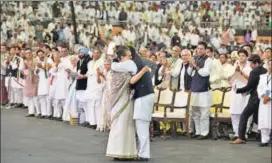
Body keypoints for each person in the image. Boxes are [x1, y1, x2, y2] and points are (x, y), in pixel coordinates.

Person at [106, 46, 149, 161]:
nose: (131, 57)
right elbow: (131, 79)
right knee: (123, 125)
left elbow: (115, 66)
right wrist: (143, 71)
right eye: (128, 55)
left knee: (121, 125)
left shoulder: (117, 67)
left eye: (130, 55)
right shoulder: (127, 65)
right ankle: (123, 152)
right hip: (122, 98)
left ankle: (117, 152)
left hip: (120, 99)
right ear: (121, 57)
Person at [231, 55, 267, 144]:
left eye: (251, 63)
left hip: (255, 97)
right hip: (263, 97)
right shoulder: (265, 71)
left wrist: (238, 90)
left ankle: (241, 137)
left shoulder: (254, 72)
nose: (250, 65)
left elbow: (249, 86)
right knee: (258, 117)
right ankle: (265, 136)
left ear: (256, 63)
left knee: (244, 115)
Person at [188, 41, 213, 140]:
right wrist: (191, 66)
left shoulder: (208, 60)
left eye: (201, 49)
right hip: (194, 87)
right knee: (195, 112)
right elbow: (190, 73)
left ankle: (204, 132)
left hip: (204, 89)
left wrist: (195, 66)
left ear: (205, 50)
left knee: (204, 112)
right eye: (198, 48)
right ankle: (198, 131)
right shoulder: (195, 58)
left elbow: (205, 73)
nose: (199, 50)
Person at [229, 49, 252, 140]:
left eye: (243, 55)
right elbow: (229, 79)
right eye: (240, 55)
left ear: (246, 57)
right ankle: (236, 133)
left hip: (245, 92)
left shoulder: (249, 67)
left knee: (244, 113)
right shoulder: (234, 65)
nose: (241, 57)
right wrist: (235, 72)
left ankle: (243, 133)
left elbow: (251, 79)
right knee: (234, 113)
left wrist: (241, 72)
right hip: (235, 91)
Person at [257, 59, 271, 147]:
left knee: (270, 120)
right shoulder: (262, 76)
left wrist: (269, 97)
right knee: (263, 120)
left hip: (270, 100)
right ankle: (264, 140)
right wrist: (263, 96)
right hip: (263, 101)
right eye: (269, 65)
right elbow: (259, 88)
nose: (270, 67)